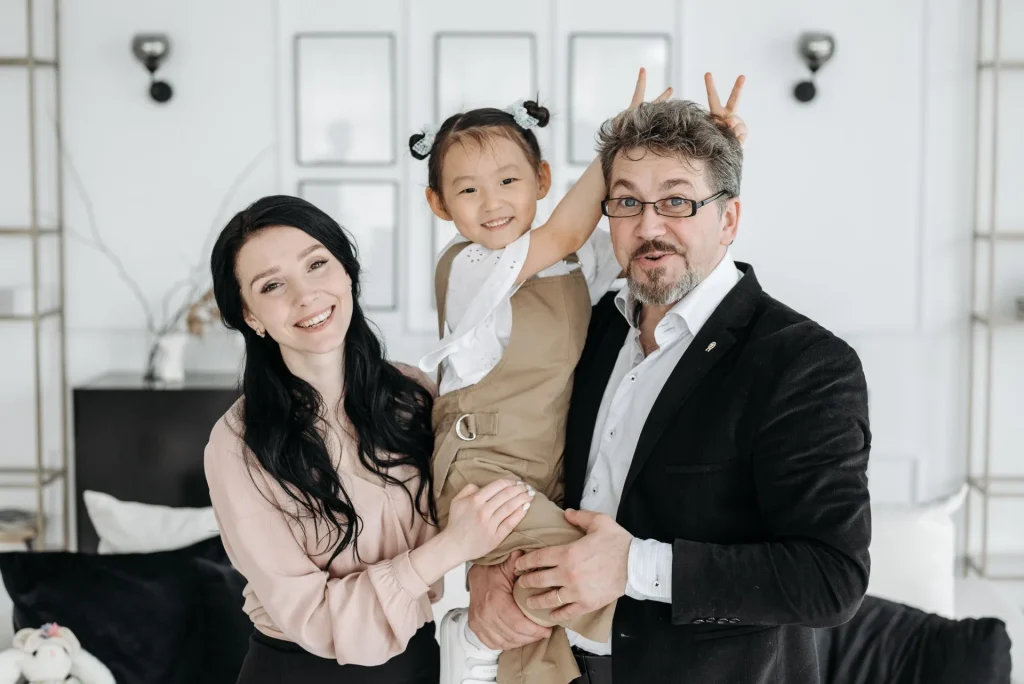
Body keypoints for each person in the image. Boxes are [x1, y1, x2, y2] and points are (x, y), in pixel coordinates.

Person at [466, 74, 872, 684]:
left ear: (729, 219)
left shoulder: (805, 364)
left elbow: (830, 579)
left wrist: (632, 566)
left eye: (678, 202)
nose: (649, 227)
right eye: (627, 202)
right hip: (554, 665)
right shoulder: (592, 326)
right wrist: (484, 572)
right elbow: (525, 454)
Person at [203, 195, 535, 684]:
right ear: (250, 316)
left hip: (417, 662)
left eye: (316, 264)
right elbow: (315, 617)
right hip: (296, 672)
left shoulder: (416, 395)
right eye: (272, 285)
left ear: (347, 272)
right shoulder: (236, 444)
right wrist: (452, 547)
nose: (305, 295)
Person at [411, 70, 671, 684]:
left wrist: (685, 151)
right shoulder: (471, 266)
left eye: (508, 181)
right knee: (592, 581)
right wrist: (617, 142)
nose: (492, 202)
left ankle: (496, 660)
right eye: (467, 190)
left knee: (539, 623)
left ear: (542, 181)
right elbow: (565, 229)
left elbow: (638, 238)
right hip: (481, 470)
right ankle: (469, 638)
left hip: (545, 472)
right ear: (439, 204)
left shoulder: (578, 260)